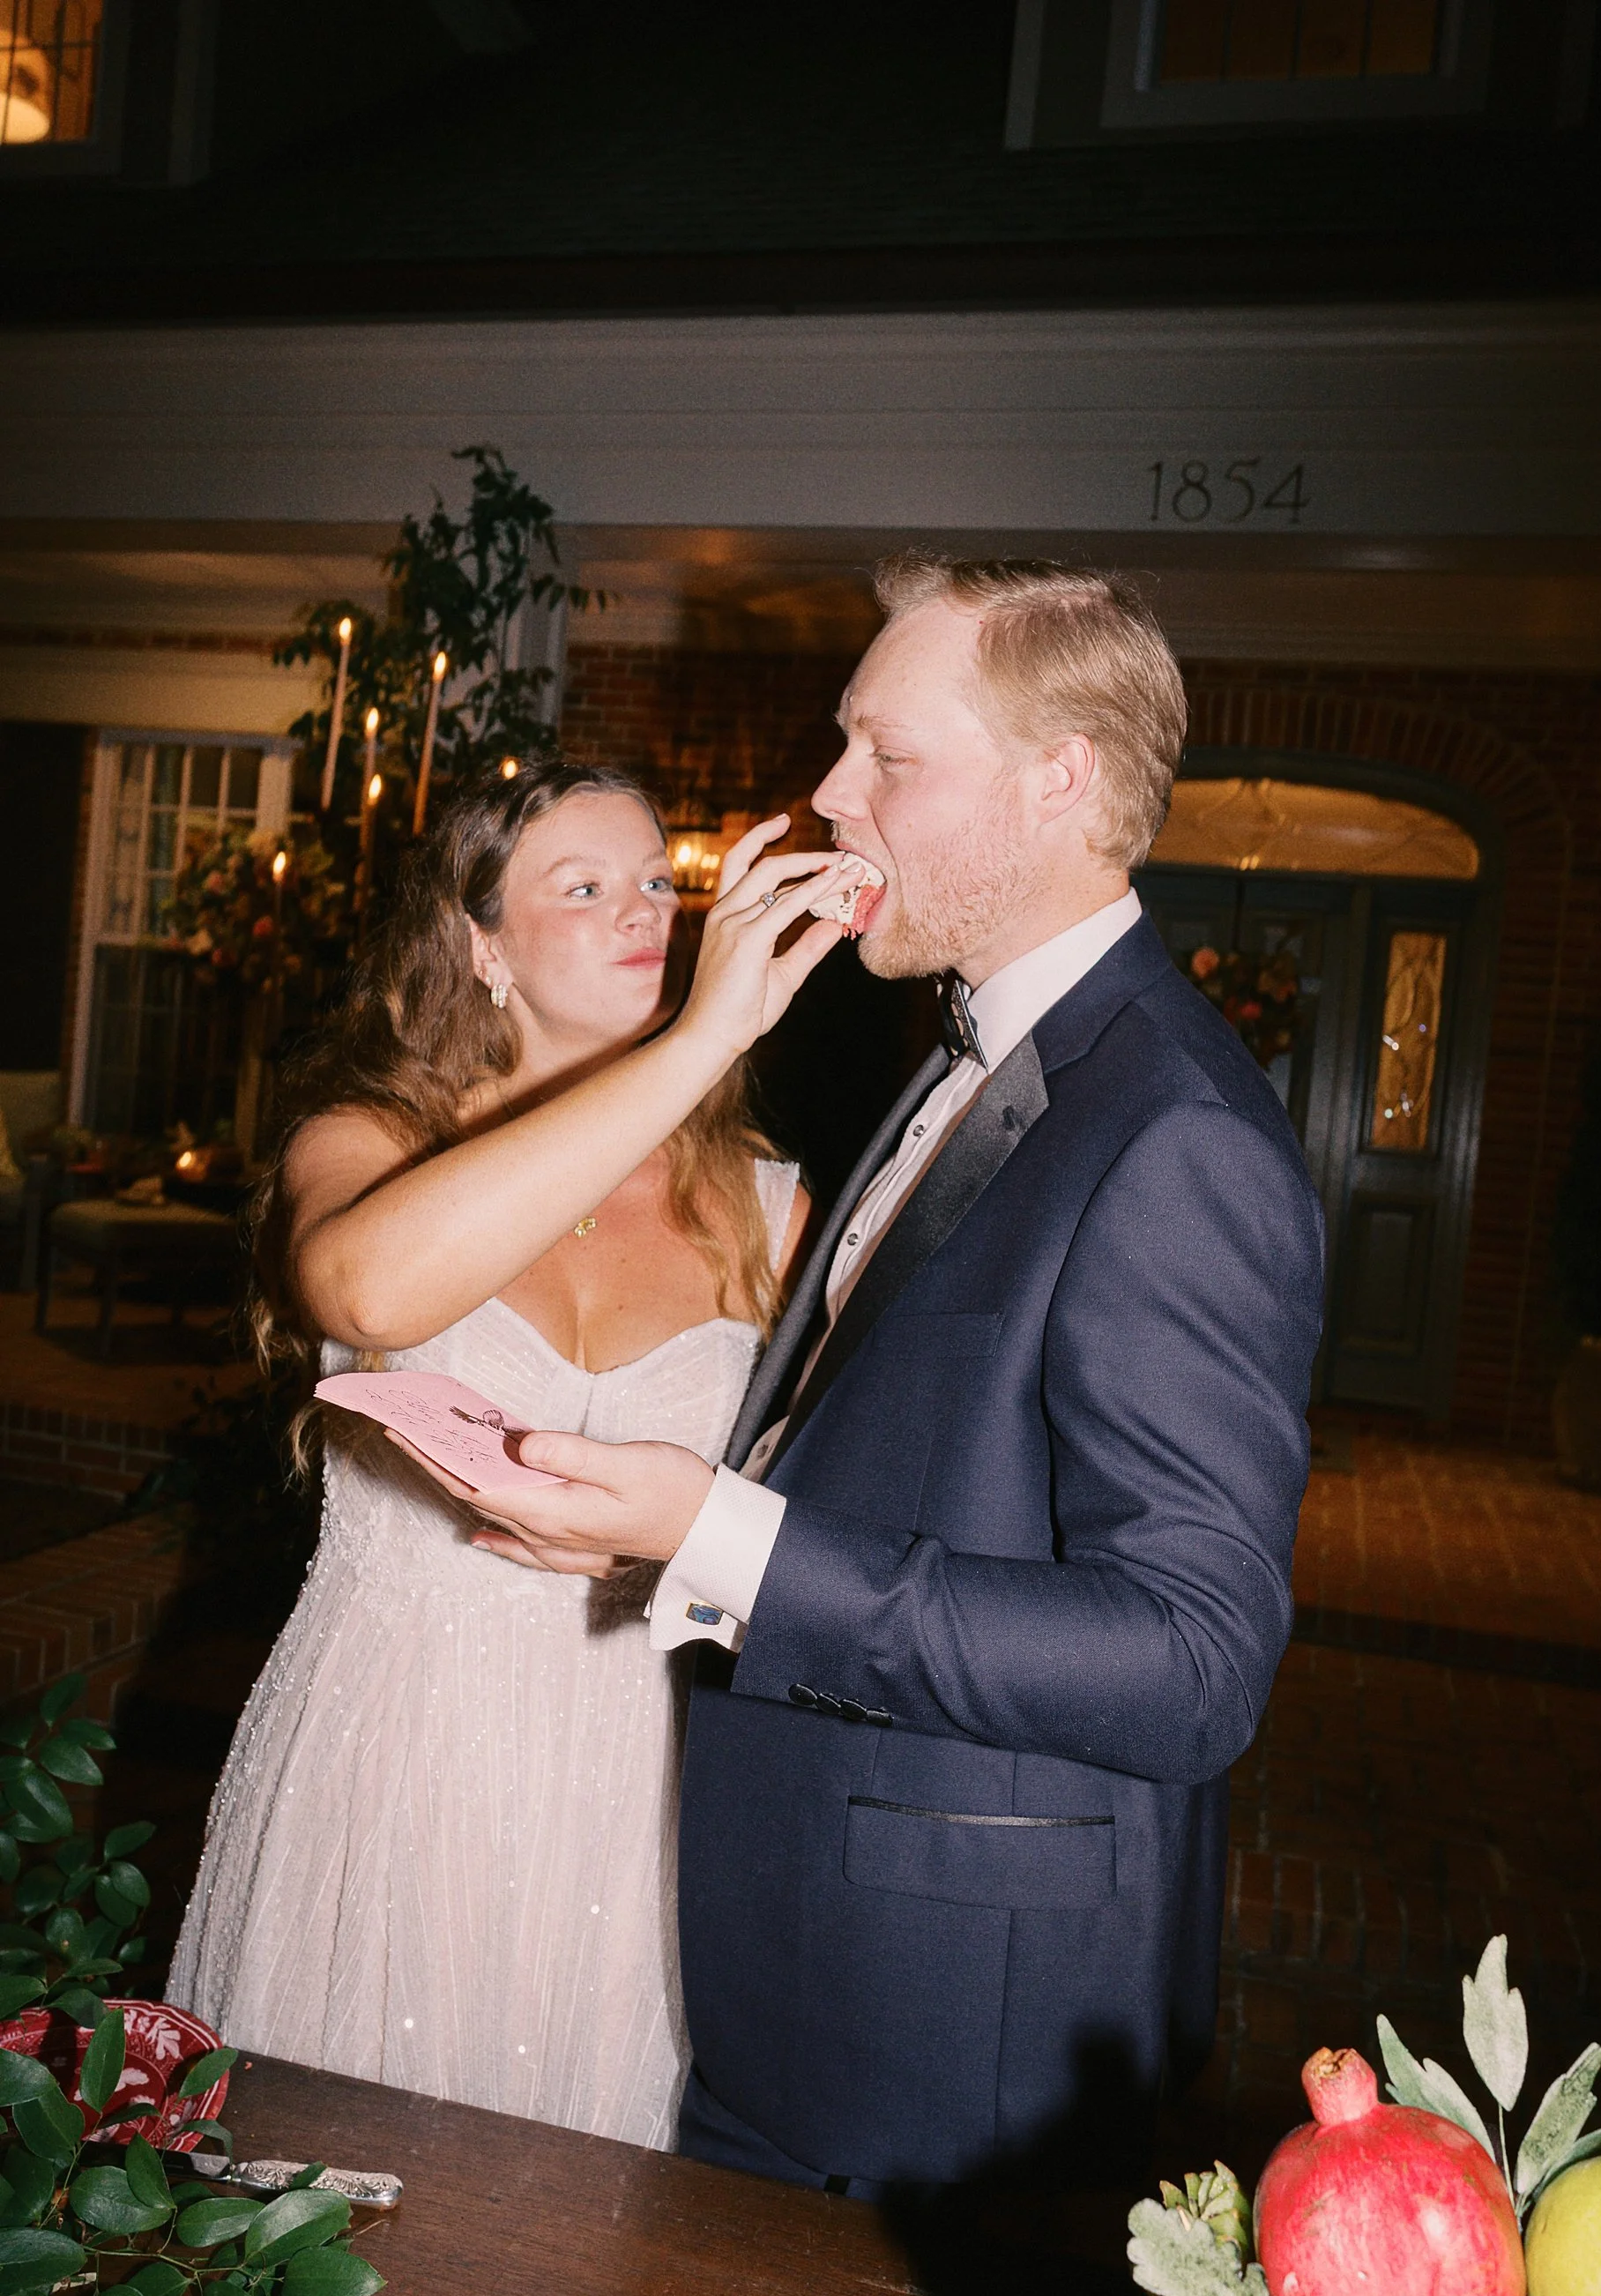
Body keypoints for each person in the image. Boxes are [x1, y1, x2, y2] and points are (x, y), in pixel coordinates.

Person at [405, 559, 1327, 2197]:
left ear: (1063, 780)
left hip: (964, 2047)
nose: (829, 797)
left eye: (887, 758)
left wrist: (732, 1543)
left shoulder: (1175, 1131)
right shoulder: (972, 1053)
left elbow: (1193, 1663)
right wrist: (666, 1536)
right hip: (794, 1986)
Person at [168, 759, 862, 2149]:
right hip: (389, 1753)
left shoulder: (771, 1210)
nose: (643, 911)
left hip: (634, 1784)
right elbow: (364, 1294)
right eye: (585, 886)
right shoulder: (368, 1141)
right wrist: (693, 1046)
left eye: (658, 881)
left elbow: (828, 1517)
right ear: (480, 946)